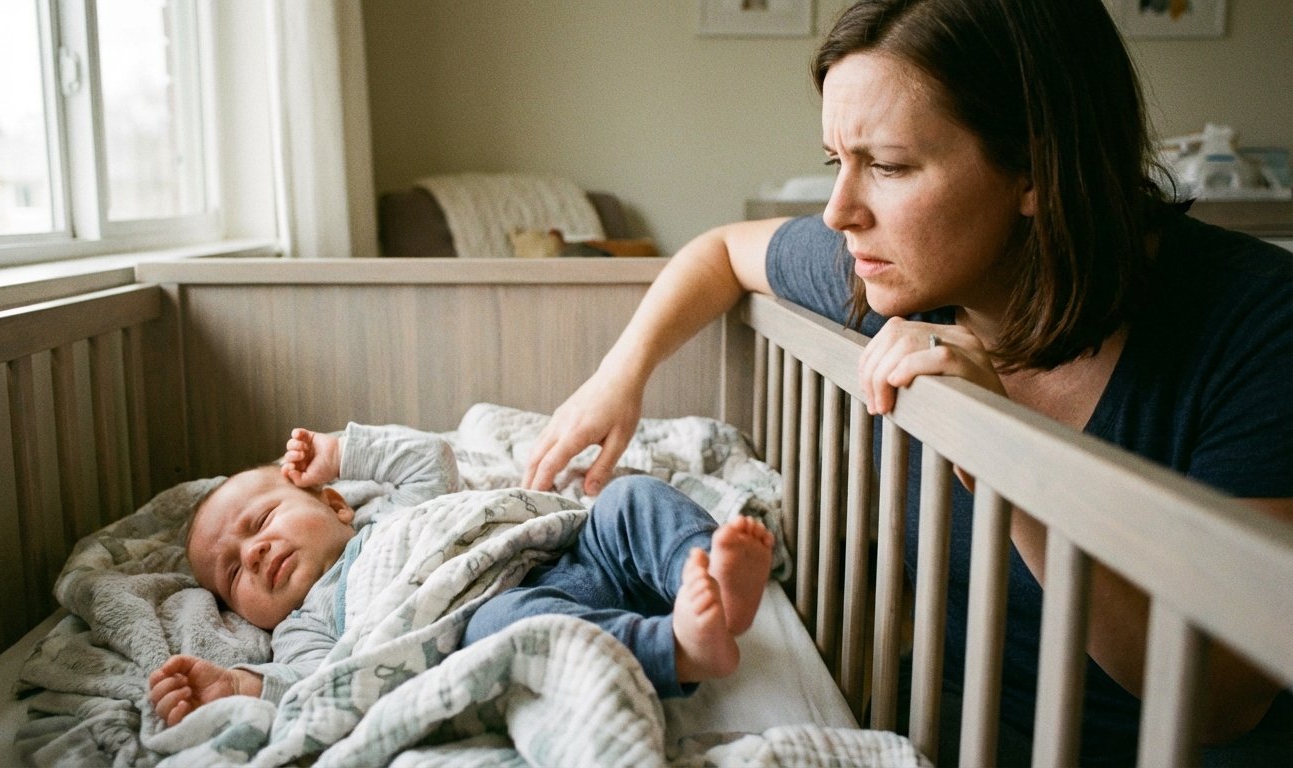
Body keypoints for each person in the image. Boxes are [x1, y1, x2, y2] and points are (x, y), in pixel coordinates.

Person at [520, 0, 1292, 765]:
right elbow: (721, 252)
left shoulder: (1254, 323)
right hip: (959, 726)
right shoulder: (898, 274)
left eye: (887, 166)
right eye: (836, 162)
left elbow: (1222, 699)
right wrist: (615, 379)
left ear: (1036, 170)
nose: (838, 212)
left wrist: (1008, 459)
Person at [148, 424, 775, 726]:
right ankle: (681, 649)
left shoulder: (392, 511)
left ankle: (703, 575)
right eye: (232, 574)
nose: (254, 554)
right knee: (508, 628)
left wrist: (340, 452)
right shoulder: (306, 627)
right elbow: (318, 685)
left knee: (628, 498)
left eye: (260, 521)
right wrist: (238, 684)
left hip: (566, 551)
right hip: (501, 613)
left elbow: (429, 457)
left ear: (335, 503)